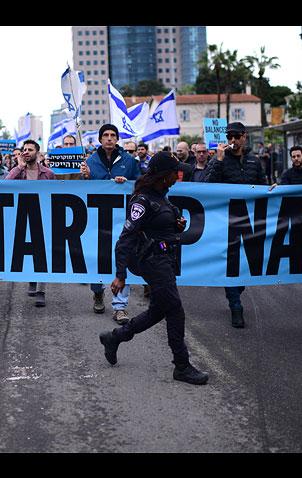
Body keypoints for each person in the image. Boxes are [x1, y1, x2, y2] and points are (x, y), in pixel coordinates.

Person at [98, 151, 208, 385]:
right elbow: (125, 239)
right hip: (153, 262)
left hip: (166, 261)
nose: (178, 174)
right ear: (162, 175)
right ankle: (182, 366)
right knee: (175, 310)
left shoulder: (163, 196)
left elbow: (161, 228)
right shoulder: (142, 201)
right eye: (174, 171)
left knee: (158, 311)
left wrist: (177, 225)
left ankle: (114, 338)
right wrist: (120, 275)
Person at [205, 121, 266, 328]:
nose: (232, 140)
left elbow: (263, 188)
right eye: (229, 136)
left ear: (244, 137)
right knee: (229, 266)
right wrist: (219, 160)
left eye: (236, 136)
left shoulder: (254, 161)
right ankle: (236, 307)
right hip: (225, 221)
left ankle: (236, 290)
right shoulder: (217, 160)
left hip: (249, 220)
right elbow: (207, 188)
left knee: (247, 264)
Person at [80, 123, 141, 324]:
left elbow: (140, 186)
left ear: (117, 139)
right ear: (100, 139)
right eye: (105, 135)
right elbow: (81, 191)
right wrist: (86, 178)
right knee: (96, 258)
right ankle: (98, 291)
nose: (109, 138)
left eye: (112, 135)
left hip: (122, 221)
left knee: (122, 259)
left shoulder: (129, 160)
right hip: (96, 218)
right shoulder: (90, 161)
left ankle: (120, 306)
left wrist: (128, 184)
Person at [6, 139, 56, 307]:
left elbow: (57, 195)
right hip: (22, 216)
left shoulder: (48, 174)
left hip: (43, 216)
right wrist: (19, 167)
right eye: (24, 150)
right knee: (27, 251)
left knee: (42, 252)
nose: (26, 152)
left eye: (30, 149)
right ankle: (32, 278)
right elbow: (4, 185)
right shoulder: (18, 171)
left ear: (37, 153)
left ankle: (41, 290)